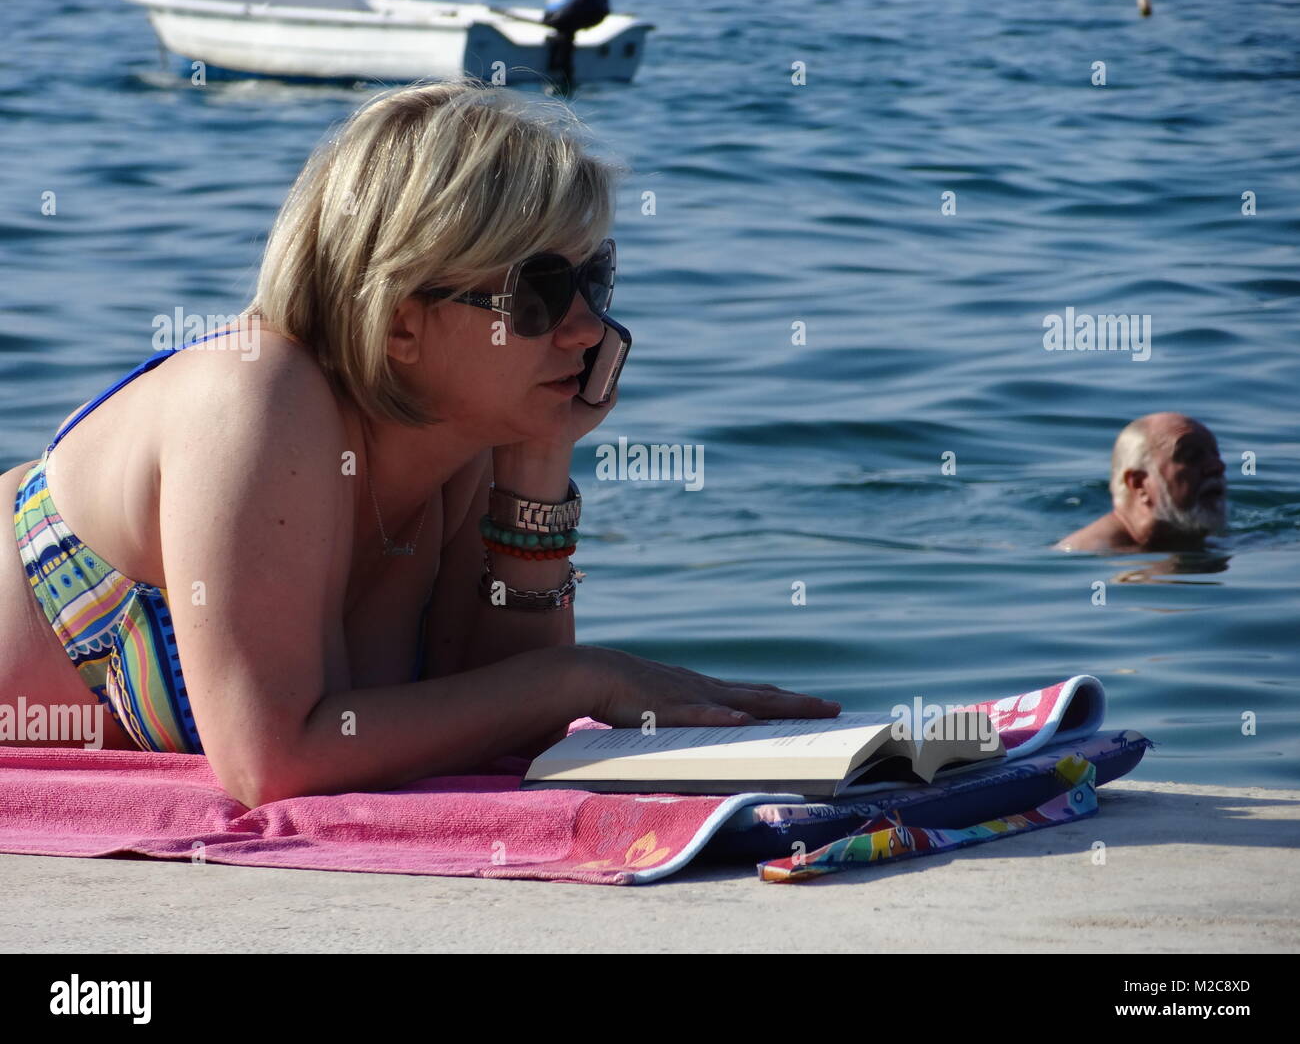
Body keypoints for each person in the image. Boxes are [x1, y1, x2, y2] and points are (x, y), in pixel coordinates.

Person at [1, 81, 839, 804]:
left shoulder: (458, 442)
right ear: (402, 318)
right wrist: (591, 678)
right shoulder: (255, 399)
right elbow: (274, 758)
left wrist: (538, 461)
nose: (590, 327)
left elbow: (507, 714)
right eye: (538, 295)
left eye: (595, 280)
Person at [1055, 412, 1227, 552]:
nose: (1217, 467)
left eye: (1215, 455)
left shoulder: (1196, 535)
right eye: (1190, 457)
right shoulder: (1090, 553)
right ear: (1139, 484)